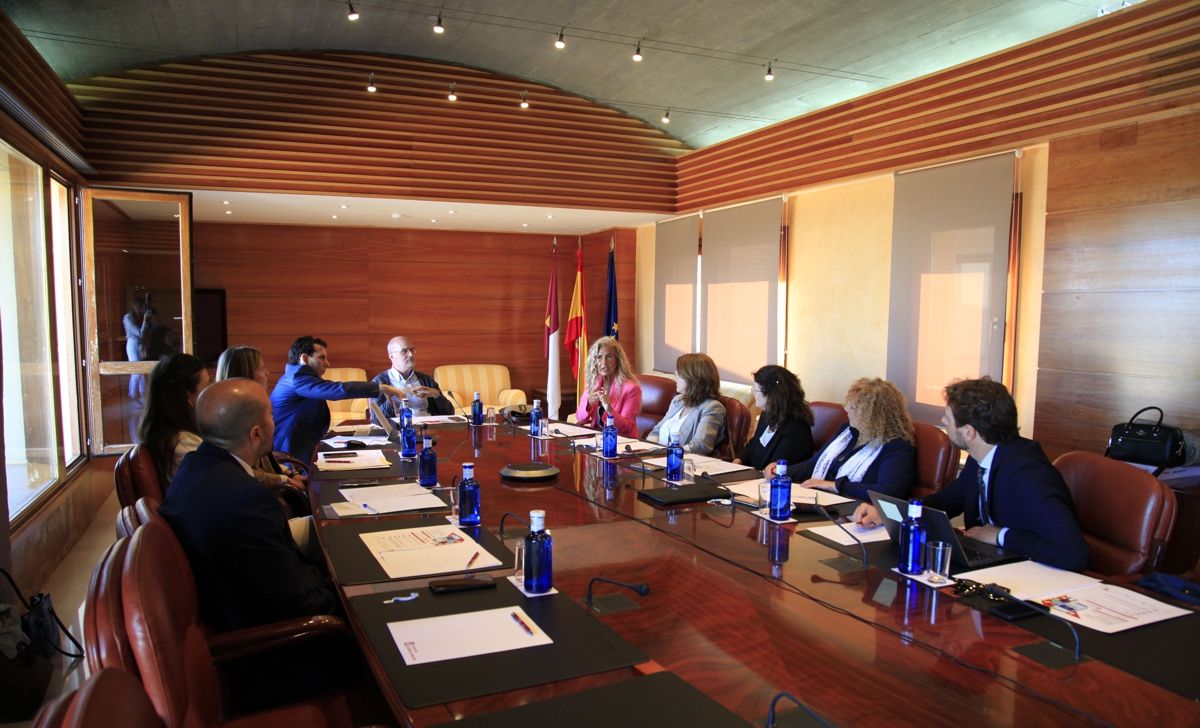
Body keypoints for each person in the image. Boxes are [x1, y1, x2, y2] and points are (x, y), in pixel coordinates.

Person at [854, 377, 1089, 571]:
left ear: (969, 432)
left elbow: (1072, 553)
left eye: (948, 420)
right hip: (990, 565)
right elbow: (946, 502)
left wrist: (1000, 536)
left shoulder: (1028, 474)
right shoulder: (981, 458)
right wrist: (888, 512)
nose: (943, 423)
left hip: (1029, 575)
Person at [160, 378, 337, 632]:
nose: (275, 421)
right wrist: (345, 596)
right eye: (271, 416)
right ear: (256, 434)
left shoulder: (193, 465)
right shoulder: (246, 499)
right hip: (287, 637)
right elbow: (297, 602)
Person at [270, 335, 402, 465]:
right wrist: (381, 387)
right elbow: (338, 390)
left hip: (300, 443)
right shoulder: (297, 378)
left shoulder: (295, 376)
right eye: (321, 358)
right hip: (290, 449)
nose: (327, 363)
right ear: (304, 358)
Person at [790, 377, 915, 501]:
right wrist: (782, 472)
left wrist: (835, 486)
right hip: (819, 497)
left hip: (854, 507)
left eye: (854, 407)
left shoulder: (897, 446)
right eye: (848, 403)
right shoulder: (847, 431)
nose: (846, 409)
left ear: (874, 415)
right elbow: (813, 464)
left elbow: (888, 492)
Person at [215, 346, 309, 503]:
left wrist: (290, 474)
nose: (267, 373)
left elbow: (266, 460)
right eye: (261, 368)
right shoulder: (234, 420)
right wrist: (284, 480)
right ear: (245, 374)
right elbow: (244, 471)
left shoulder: (247, 409)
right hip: (263, 499)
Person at [137, 353, 209, 486]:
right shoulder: (183, 445)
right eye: (206, 386)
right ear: (188, 397)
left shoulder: (165, 433)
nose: (210, 393)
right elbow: (216, 484)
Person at [736, 365, 814, 471]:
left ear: (772, 395)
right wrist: (738, 460)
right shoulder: (766, 415)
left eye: (755, 390)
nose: (753, 394)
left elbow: (775, 467)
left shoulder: (795, 427)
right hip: (755, 475)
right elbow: (753, 444)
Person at [647, 353, 726, 455]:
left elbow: (700, 446)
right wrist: (650, 450)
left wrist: (667, 452)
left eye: (679, 374)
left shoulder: (713, 408)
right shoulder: (678, 400)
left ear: (693, 378)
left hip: (683, 461)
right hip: (658, 457)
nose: (675, 377)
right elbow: (656, 431)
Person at [370, 335, 454, 419]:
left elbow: (449, 413)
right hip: (398, 426)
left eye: (412, 350)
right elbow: (376, 418)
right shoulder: (379, 382)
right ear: (391, 356)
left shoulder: (426, 380)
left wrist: (436, 394)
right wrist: (395, 397)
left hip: (428, 425)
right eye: (404, 351)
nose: (410, 354)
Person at [575, 336, 642, 437]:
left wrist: (608, 408)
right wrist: (588, 404)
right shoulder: (594, 383)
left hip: (621, 441)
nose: (604, 363)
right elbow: (580, 418)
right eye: (599, 357)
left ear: (617, 361)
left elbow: (626, 427)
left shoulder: (631, 389)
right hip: (596, 440)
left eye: (609, 357)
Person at [122, 289, 153, 401]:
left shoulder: (139, 317)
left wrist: (146, 320)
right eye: (142, 307)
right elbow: (139, 333)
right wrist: (144, 321)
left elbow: (147, 332)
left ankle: (142, 394)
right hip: (133, 343)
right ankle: (133, 394)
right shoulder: (127, 317)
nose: (143, 310)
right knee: (136, 371)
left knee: (143, 371)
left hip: (141, 345)